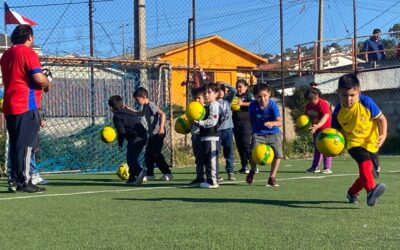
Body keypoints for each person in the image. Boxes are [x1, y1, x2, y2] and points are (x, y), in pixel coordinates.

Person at [1, 24, 51, 193]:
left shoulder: (6, 54)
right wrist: (47, 82)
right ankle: (25, 181)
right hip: (26, 104)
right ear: (29, 37)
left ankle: (14, 179)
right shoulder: (28, 53)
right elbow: (38, 78)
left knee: (15, 144)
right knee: (26, 144)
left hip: (10, 104)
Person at [332, 73, 387, 206]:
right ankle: (371, 191)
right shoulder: (338, 112)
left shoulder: (366, 102)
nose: (348, 99)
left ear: (359, 92)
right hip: (353, 143)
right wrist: (334, 146)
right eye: (344, 95)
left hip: (371, 142)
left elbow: (381, 119)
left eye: (352, 95)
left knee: (370, 175)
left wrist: (383, 134)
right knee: (365, 162)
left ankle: (352, 192)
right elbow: (335, 132)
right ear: (338, 93)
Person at [246, 84, 283, 187]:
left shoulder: (272, 105)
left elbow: (279, 122)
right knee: (253, 152)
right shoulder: (252, 106)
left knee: (278, 154)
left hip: (274, 133)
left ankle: (272, 178)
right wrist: (254, 132)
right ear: (254, 97)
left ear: (269, 94)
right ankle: (253, 170)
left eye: (265, 96)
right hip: (259, 133)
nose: (262, 99)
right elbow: (252, 120)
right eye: (259, 97)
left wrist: (273, 123)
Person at [132, 87, 173, 181]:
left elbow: (162, 114)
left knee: (156, 153)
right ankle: (150, 174)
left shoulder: (151, 105)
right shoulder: (145, 106)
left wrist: (161, 128)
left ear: (143, 97)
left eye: (138, 99)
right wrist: (130, 109)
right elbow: (141, 113)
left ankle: (167, 173)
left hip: (158, 133)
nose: (137, 102)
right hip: (152, 134)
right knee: (148, 154)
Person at [108, 95, 147, 186]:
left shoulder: (117, 116)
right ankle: (132, 178)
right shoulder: (129, 111)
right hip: (143, 135)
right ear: (122, 105)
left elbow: (121, 132)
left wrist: (120, 143)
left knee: (131, 159)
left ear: (111, 108)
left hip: (135, 138)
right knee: (131, 157)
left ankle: (140, 172)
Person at [193, 82, 221, 189]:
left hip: (212, 136)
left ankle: (213, 181)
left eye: (209, 92)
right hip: (205, 136)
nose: (207, 95)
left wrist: (200, 123)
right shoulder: (207, 106)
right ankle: (209, 179)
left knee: (211, 159)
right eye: (205, 92)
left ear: (216, 94)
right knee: (206, 159)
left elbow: (213, 121)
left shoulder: (214, 105)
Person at [304, 87, 333, 174]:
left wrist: (317, 126)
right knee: (317, 148)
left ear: (316, 96)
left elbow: (326, 116)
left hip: (326, 130)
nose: (309, 101)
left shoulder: (323, 104)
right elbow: (306, 118)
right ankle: (315, 167)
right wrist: (307, 126)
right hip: (316, 130)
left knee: (326, 148)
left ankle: (327, 167)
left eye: (311, 99)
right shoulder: (308, 105)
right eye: (308, 100)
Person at [232, 79, 253, 174]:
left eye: (240, 87)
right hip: (236, 123)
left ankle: (253, 164)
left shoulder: (248, 95)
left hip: (246, 122)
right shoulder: (234, 96)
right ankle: (244, 165)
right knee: (239, 145)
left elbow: (254, 103)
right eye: (237, 87)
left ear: (246, 87)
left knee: (245, 143)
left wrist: (242, 104)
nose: (238, 89)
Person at [217, 82, 237, 181]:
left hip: (228, 129)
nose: (220, 92)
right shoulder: (213, 103)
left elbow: (234, 91)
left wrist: (225, 84)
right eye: (218, 90)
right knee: (215, 152)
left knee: (229, 151)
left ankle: (230, 172)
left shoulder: (227, 101)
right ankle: (215, 173)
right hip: (217, 131)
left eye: (222, 90)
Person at [189, 86, 206, 186]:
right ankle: (199, 177)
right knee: (198, 157)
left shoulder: (206, 109)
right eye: (195, 97)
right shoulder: (192, 108)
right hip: (195, 135)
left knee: (207, 157)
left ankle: (212, 176)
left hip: (203, 135)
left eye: (199, 98)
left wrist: (198, 122)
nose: (196, 100)